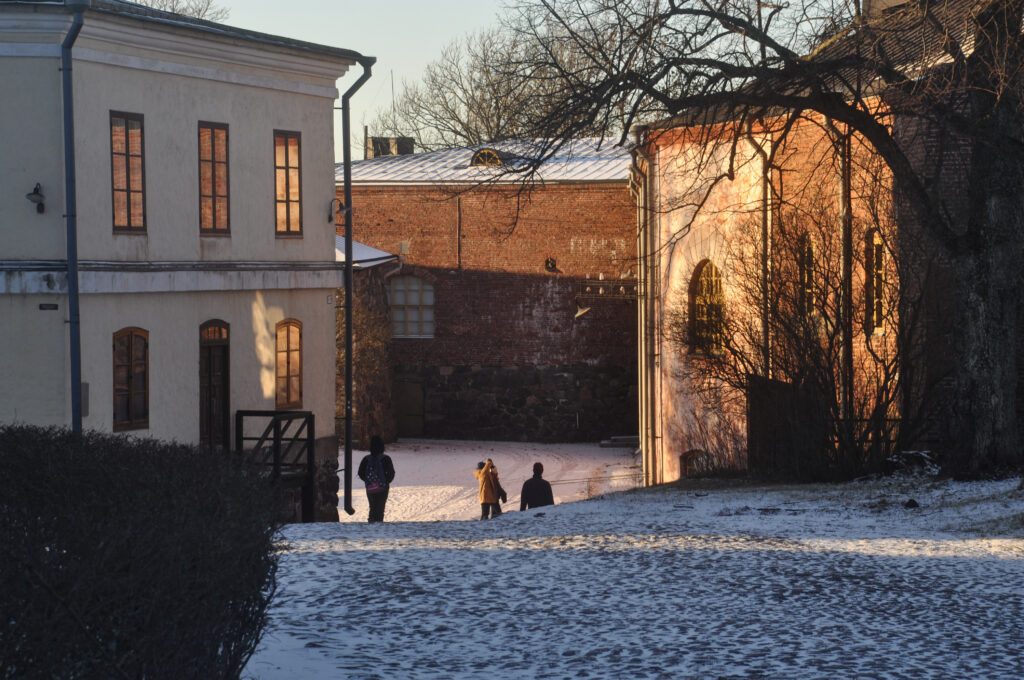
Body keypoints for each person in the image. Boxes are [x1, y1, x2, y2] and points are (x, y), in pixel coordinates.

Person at [357, 435, 395, 523]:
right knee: (380, 508)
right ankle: (378, 526)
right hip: (383, 487)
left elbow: (360, 473)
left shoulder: (366, 459)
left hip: (370, 487)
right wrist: (385, 482)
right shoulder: (386, 459)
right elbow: (391, 473)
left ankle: (371, 523)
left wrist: (369, 481)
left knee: (372, 507)